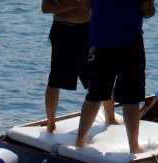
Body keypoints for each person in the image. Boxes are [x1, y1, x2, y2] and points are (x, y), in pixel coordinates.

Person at [75, 0, 156, 155]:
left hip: (100, 39)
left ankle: (80, 140)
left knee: (95, 93)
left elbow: (86, 4)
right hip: (129, 40)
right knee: (131, 96)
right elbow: (148, 11)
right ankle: (133, 145)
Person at [42, 0, 118, 134]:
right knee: (56, 78)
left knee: (103, 72)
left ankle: (110, 118)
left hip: (89, 28)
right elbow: (46, 7)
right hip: (64, 29)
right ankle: (51, 124)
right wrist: (76, 3)